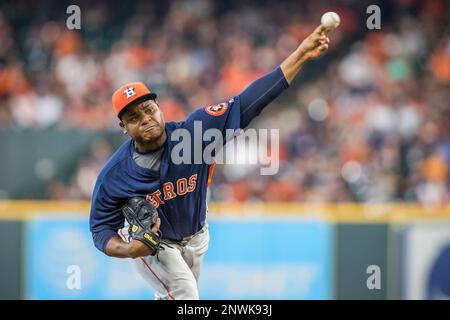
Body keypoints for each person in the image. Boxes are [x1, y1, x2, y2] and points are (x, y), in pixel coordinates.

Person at [89, 25, 331, 300]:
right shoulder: (114, 176)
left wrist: (300, 54)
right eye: (134, 117)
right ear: (123, 126)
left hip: (196, 237)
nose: (145, 118)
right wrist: (130, 249)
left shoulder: (195, 134)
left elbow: (251, 101)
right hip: (153, 246)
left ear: (159, 107)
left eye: (148, 109)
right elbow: (100, 229)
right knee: (185, 295)